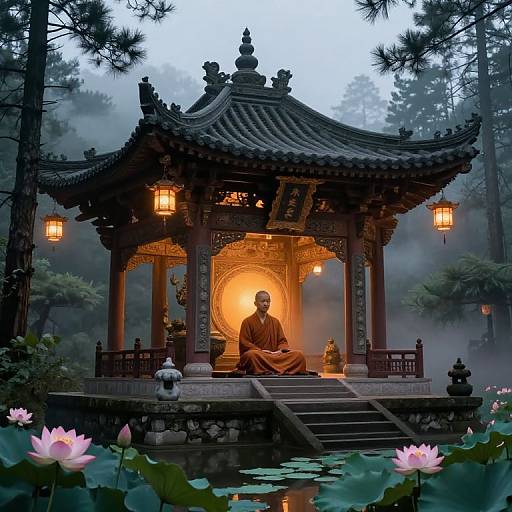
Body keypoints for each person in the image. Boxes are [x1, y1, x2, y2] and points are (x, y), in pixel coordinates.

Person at [237, 290, 307, 375]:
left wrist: (281, 350)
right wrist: (261, 351)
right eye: (263, 301)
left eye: (268, 301)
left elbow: (282, 341)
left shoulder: (275, 322)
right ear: (255, 303)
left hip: (275, 356)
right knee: (251, 356)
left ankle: (271, 370)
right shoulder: (247, 321)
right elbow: (245, 343)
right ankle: (278, 369)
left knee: (299, 355)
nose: (266, 304)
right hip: (260, 356)